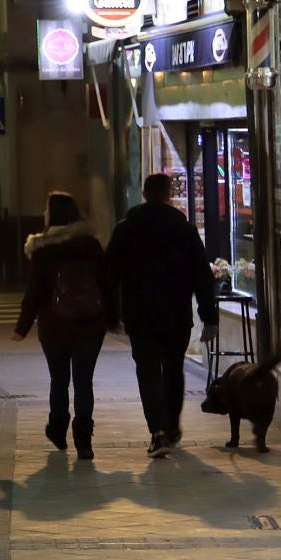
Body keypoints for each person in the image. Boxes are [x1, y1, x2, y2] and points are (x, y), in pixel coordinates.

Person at [107, 172, 218, 457]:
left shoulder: (126, 230)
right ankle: (171, 427)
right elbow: (202, 276)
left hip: (139, 314)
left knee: (147, 371)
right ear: (169, 195)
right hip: (176, 314)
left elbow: (109, 275)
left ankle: (157, 430)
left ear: (144, 194)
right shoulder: (183, 230)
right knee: (173, 369)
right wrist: (210, 317)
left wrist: (111, 314)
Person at [11, 192, 111, 461]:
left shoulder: (43, 249)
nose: (43, 213)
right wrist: (113, 319)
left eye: (46, 208)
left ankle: (57, 428)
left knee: (59, 380)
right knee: (83, 382)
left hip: (54, 325)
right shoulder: (90, 245)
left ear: (53, 214)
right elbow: (106, 284)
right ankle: (84, 442)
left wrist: (22, 327)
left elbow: (35, 292)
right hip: (90, 325)